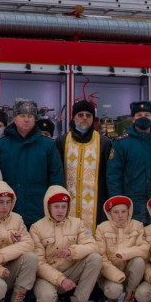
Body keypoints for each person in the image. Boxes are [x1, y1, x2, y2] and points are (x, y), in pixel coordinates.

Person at [29, 186, 102, 302]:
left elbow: (93, 246)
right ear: (48, 207)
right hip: (48, 276)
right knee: (46, 299)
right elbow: (39, 263)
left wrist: (72, 251)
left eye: (64, 206)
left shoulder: (77, 223)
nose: (60, 211)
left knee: (95, 258)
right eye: (56, 206)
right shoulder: (37, 228)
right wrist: (61, 280)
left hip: (70, 271)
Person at [0, 98, 65, 227]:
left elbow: (56, 178)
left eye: (30, 116)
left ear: (34, 119)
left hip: (40, 213)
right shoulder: (1, 145)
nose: (26, 119)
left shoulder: (48, 145)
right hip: (9, 212)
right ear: (14, 118)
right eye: (22, 116)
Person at [107, 100, 151, 225]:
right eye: (139, 115)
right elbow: (113, 176)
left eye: (147, 115)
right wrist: (118, 202)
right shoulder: (121, 144)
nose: (143, 118)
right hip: (133, 203)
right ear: (133, 119)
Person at [55, 99, 112, 233]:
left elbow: (109, 175)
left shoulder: (104, 143)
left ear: (93, 119)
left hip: (96, 205)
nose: (84, 118)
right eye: (80, 115)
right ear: (74, 118)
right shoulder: (62, 142)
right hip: (67, 203)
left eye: (88, 115)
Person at [93, 195, 148, 302]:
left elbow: (144, 249)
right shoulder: (102, 228)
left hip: (129, 272)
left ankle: (128, 301)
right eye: (116, 212)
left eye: (123, 211)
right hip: (110, 274)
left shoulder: (137, 226)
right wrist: (115, 275)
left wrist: (125, 253)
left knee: (139, 261)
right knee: (114, 290)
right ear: (110, 213)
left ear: (129, 212)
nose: (120, 215)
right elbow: (101, 255)